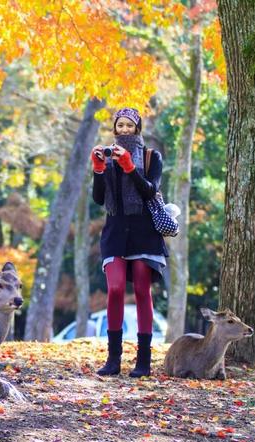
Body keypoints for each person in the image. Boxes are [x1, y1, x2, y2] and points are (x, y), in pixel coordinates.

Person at [90, 107, 168, 377]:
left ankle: (143, 361)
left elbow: (150, 191)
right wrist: (99, 169)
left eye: (129, 125)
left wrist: (131, 168)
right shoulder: (108, 156)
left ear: (137, 128)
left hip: (144, 232)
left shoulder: (151, 157)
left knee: (143, 291)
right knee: (115, 288)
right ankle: (113, 359)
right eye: (119, 125)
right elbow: (99, 199)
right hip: (114, 232)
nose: (124, 129)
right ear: (114, 128)